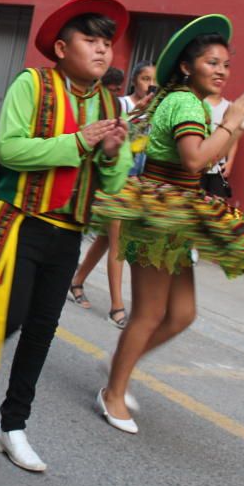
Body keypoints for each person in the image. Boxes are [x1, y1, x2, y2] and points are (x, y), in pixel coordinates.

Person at [0, 0, 133, 473]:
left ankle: (12, 426)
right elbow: (12, 150)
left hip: (68, 233)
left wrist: (114, 153)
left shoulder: (108, 101)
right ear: (60, 47)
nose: (103, 51)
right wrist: (79, 142)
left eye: (108, 43)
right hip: (20, 222)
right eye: (90, 40)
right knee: (7, 317)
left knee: (41, 333)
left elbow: (112, 181)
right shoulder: (32, 84)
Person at [92, 15, 244, 435]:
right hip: (159, 211)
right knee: (151, 312)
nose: (222, 72)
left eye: (226, 65)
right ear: (186, 67)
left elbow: (205, 157)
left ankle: (122, 361)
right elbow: (195, 160)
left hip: (177, 211)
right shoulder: (185, 103)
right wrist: (232, 124)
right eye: (212, 62)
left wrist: (236, 129)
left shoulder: (186, 101)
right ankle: (113, 392)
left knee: (182, 313)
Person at [68, 63, 157, 328]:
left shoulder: (153, 112)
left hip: (135, 184)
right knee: (119, 244)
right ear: (135, 81)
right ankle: (117, 307)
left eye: (153, 80)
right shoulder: (120, 105)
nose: (148, 84)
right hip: (114, 182)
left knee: (106, 240)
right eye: (144, 78)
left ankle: (76, 281)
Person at [201, 92, 238, 198]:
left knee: (217, 204)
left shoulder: (229, 106)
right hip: (199, 162)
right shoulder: (198, 102)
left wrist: (230, 161)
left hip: (219, 165)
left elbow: (233, 139)